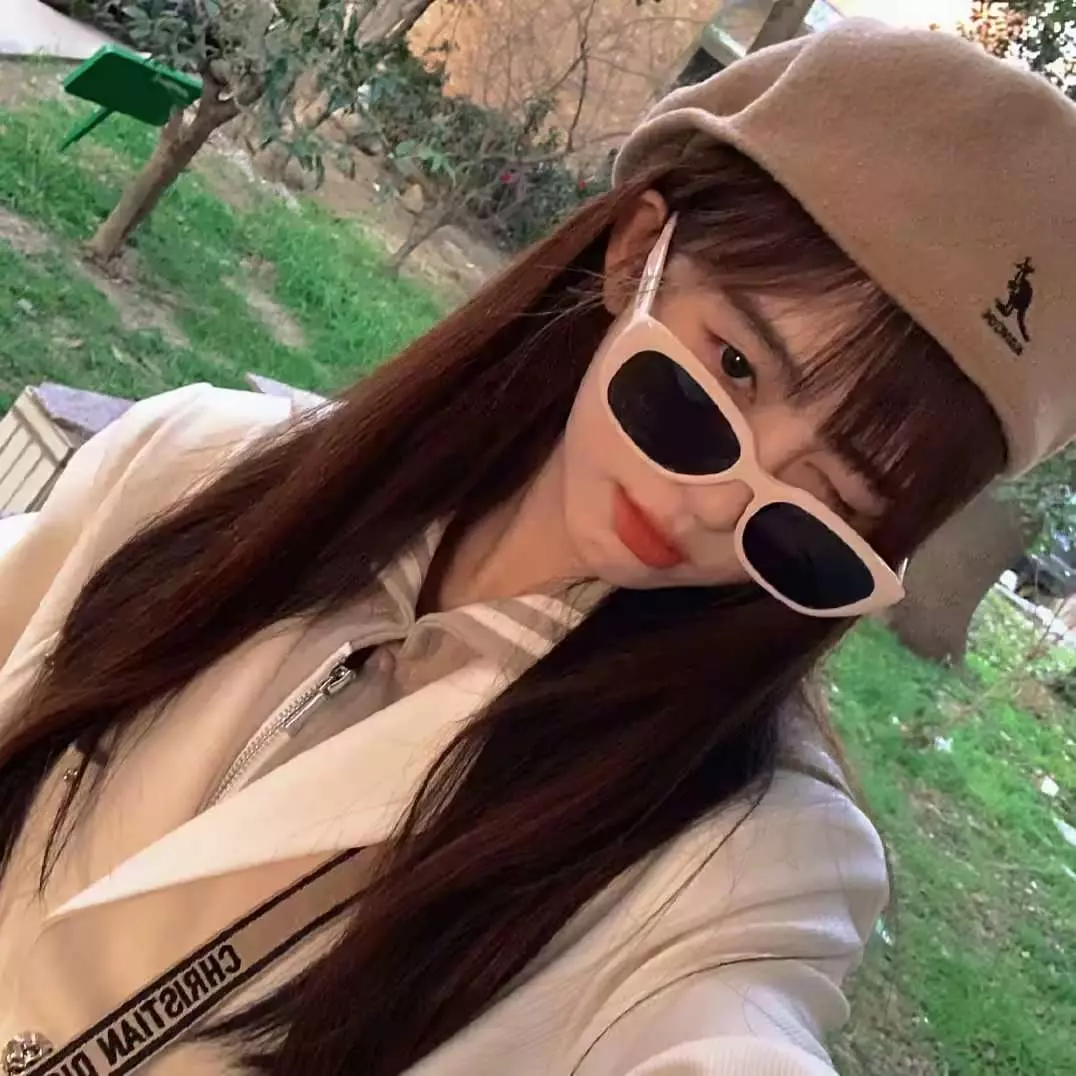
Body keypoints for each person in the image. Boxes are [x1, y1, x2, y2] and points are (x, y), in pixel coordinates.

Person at [0, 19, 1073, 1076]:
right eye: (730, 372)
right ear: (636, 254)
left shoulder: (740, 865)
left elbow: (731, 1024)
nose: (711, 506)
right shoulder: (192, 466)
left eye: (822, 505)